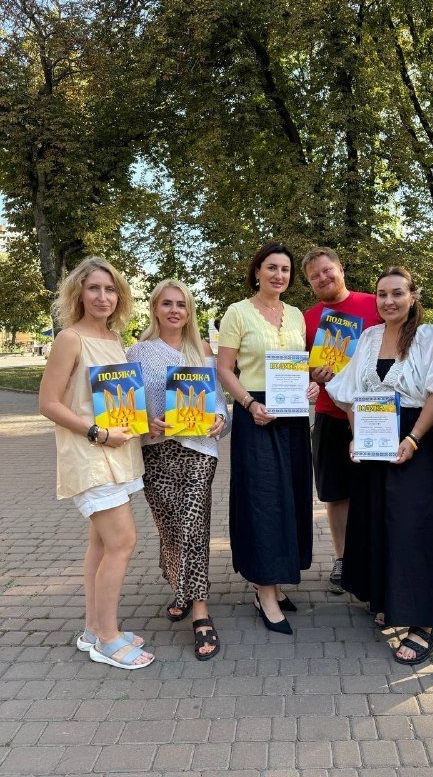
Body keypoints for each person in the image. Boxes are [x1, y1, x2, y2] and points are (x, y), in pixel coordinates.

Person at [326, 267, 433, 664]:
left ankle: (424, 622)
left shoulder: (428, 336)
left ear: (413, 296)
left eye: (397, 293)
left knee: (414, 525)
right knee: (376, 519)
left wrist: (413, 439)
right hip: (373, 439)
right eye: (382, 294)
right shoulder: (368, 337)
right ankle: (386, 600)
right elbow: (350, 393)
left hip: (416, 438)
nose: (389, 301)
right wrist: (356, 437)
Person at [39, 257, 154, 670]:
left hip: (119, 452)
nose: (103, 297)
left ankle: (93, 629)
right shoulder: (70, 339)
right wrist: (97, 433)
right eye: (94, 288)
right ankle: (108, 639)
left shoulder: (114, 339)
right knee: (123, 542)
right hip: (91, 454)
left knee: (102, 544)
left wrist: (144, 424)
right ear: (79, 293)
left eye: (110, 290)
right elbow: (48, 403)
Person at [217, 242, 319, 635]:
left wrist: (310, 385)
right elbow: (224, 368)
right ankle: (264, 590)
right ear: (257, 271)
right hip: (256, 413)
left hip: (291, 416)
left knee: (290, 497)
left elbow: (300, 365)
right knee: (262, 500)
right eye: (272, 267)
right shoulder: (237, 312)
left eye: (285, 269)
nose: (279, 275)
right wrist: (247, 403)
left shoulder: (296, 315)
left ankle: (275, 580)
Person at [127, 279, 230, 661]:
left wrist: (220, 420)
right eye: (167, 303)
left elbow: (219, 405)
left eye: (181, 304)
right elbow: (125, 411)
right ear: (155, 308)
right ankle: (180, 586)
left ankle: (200, 610)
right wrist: (144, 424)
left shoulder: (201, 352)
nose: (174, 310)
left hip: (198, 451)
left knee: (193, 525)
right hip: (156, 454)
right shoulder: (137, 352)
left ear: (189, 312)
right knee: (171, 528)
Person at [302, 247, 380, 593]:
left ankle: (373, 559)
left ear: (341, 269)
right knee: (335, 494)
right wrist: (311, 374)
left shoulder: (374, 304)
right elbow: (298, 367)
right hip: (329, 415)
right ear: (309, 283)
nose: (323, 278)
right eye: (315, 276)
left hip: (375, 415)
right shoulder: (308, 319)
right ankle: (343, 559)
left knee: (374, 490)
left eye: (327, 270)